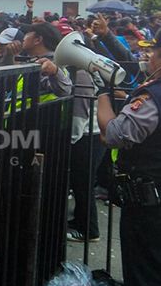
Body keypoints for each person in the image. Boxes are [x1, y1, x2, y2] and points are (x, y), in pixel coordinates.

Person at [97, 28, 161, 285]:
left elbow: (114, 134)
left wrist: (102, 93)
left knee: (144, 267)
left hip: (149, 203)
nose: (148, 55)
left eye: (153, 50)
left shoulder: (152, 96)